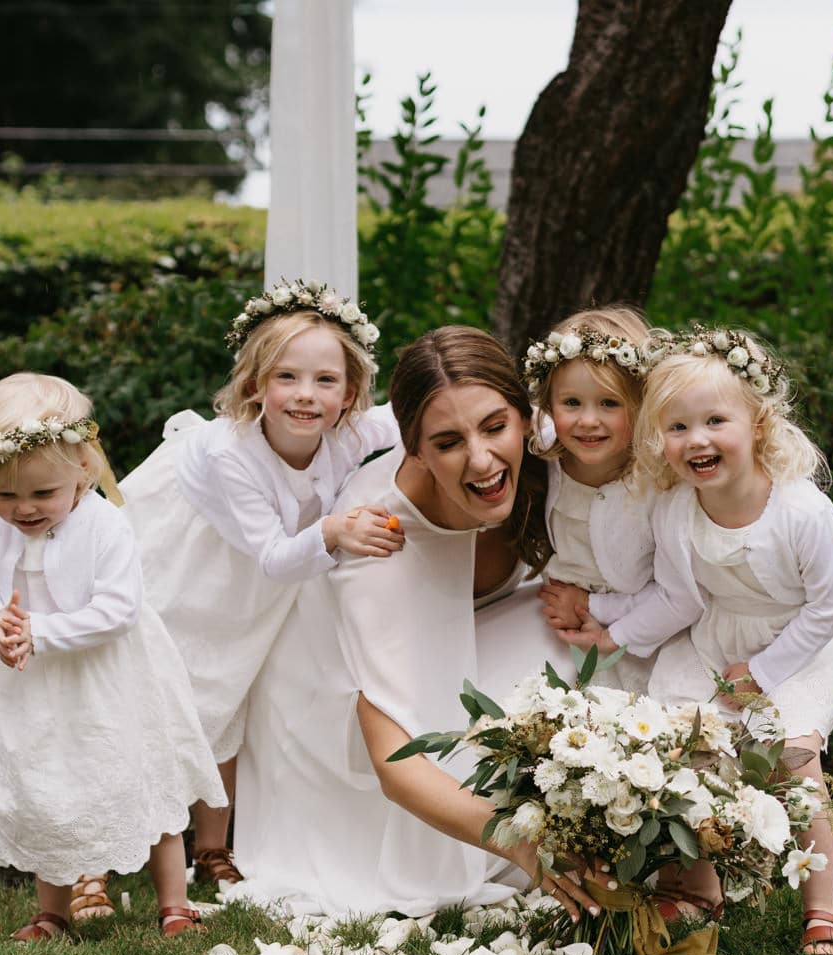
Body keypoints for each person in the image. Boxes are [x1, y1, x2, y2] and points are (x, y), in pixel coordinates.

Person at [229, 326, 602, 920]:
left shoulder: (556, 450)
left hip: (464, 654)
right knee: (449, 829)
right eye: (449, 442)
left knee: (596, 644)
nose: (481, 459)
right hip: (347, 727)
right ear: (414, 449)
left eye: (495, 427)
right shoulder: (379, 542)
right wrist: (527, 846)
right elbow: (396, 764)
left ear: (527, 420)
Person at [566, 329, 833, 955]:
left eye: (714, 421)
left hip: (801, 641)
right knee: (685, 748)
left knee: (794, 761)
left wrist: (765, 669)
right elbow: (678, 599)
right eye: (676, 427)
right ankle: (698, 887)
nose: (695, 439)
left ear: (758, 423)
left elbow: (830, 606)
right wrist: (609, 632)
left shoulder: (802, 512)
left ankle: (823, 906)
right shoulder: (677, 511)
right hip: (715, 636)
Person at [117, 282, 403, 895]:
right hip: (189, 562)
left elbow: (412, 416)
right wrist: (331, 529)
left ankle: (212, 847)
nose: (306, 394)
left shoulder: (346, 432)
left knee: (231, 693)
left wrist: (530, 418)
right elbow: (274, 554)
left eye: (326, 381)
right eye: (287, 377)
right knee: (167, 691)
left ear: (349, 393)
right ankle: (96, 858)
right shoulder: (230, 453)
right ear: (254, 385)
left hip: (258, 573)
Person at [0, 373, 227, 941]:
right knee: (48, 785)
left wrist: (41, 631)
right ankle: (51, 910)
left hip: (109, 679)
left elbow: (118, 610)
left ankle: (174, 903)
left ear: (83, 469)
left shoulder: (104, 525)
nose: (23, 509)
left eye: (41, 494)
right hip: (33, 686)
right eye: (4, 495)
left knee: (140, 778)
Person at [522, 306, 658, 692]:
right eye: (572, 403)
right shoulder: (545, 455)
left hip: (638, 630)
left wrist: (592, 607)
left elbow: (678, 591)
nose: (588, 420)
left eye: (609, 403)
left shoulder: (656, 484)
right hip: (552, 619)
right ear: (549, 406)